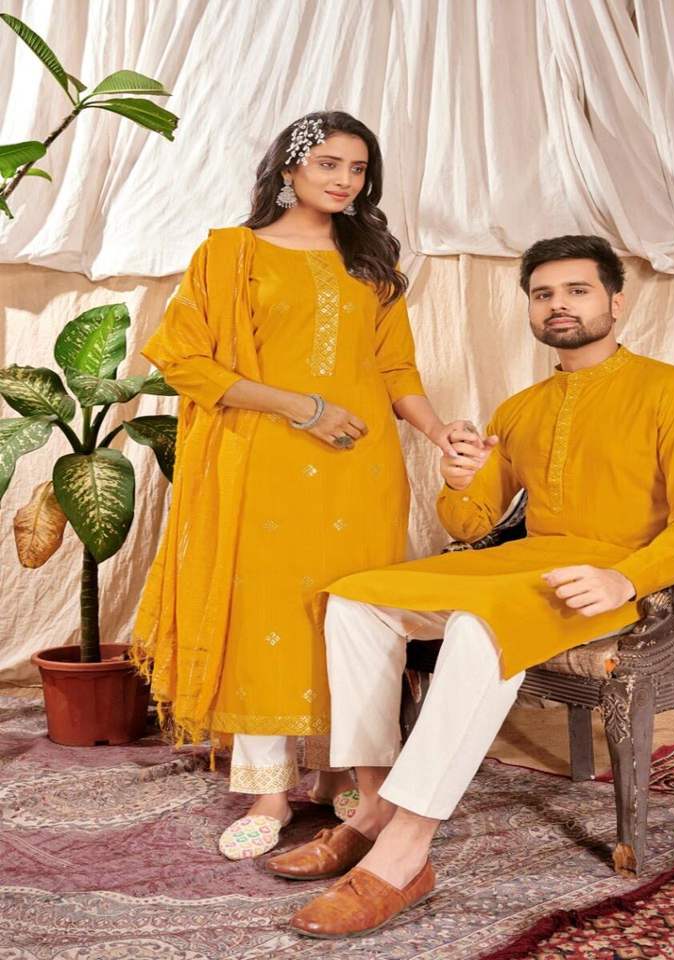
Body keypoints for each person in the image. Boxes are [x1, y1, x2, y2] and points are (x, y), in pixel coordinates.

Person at [266, 234, 674, 938]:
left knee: (480, 624)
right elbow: (473, 522)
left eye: (577, 290)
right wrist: (458, 479)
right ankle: (374, 806)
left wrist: (624, 577)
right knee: (354, 596)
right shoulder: (519, 407)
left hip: (609, 579)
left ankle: (403, 854)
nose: (558, 305)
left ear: (616, 302)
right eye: (543, 294)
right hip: (525, 564)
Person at [132, 111, 473, 862]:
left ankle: (344, 773)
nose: (344, 180)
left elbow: (395, 368)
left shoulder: (371, 261)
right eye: (328, 163)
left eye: (357, 168)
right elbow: (184, 360)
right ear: (288, 169)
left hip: (361, 470)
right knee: (269, 615)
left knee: (353, 617)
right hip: (265, 463)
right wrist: (301, 407)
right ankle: (267, 792)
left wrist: (435, 430)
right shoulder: (231, 253)